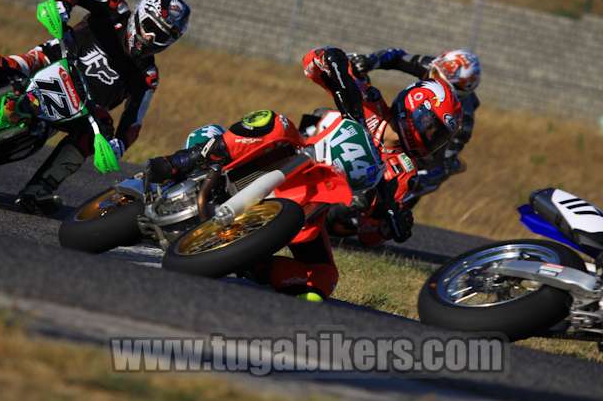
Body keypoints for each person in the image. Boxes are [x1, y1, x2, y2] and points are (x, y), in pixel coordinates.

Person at [0, 0, 190, 214]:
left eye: (163, 36)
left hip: (79, 109)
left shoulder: (147, 76)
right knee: (2, 65)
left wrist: (118, 145)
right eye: (152, 27)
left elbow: (133, 123)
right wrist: (63, 4)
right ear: (141, 14)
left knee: (92, 136)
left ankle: (38, 190)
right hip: (51, 60)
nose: (152, 39)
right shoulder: (115, 8)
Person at [147, 110, 338, 302]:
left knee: (325, 276)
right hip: (303, 150)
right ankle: (180, 161)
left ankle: (251, 263)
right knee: (276, 123)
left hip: (323, 186)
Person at [302, 46, 464, 246]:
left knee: (323, 276)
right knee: (275, 124)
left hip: (309, 214)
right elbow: (311, 65)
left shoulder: (405, 170)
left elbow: (369, 236)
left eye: (439, 137)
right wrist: (329, 58)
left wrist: (387, 226)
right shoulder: (371, 102)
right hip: (297, 156)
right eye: (432, 128)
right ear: (416, 107)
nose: (432, 138)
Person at [349, 48, 481, 169]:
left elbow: (443, 161)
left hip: (431, 161)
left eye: (441, 81)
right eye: (435, 73)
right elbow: (397, 56)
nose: (434, 81)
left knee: (431, 172)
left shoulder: (464, 121)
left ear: (457, 91)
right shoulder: (433, 68)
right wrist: (369, 61)